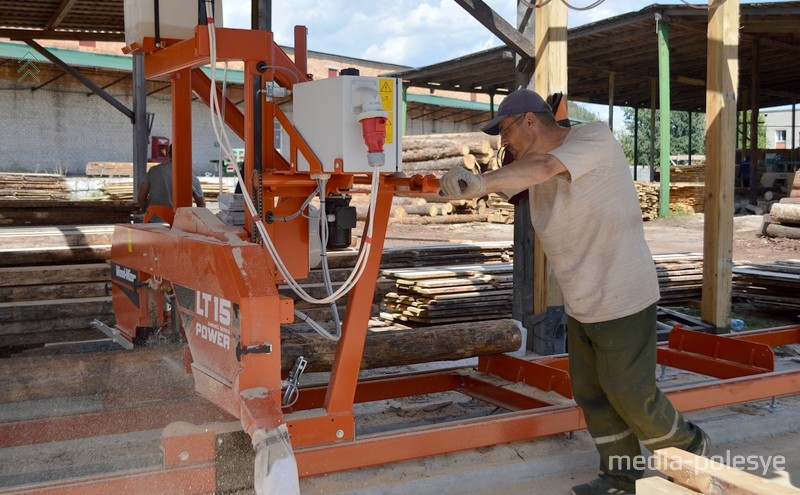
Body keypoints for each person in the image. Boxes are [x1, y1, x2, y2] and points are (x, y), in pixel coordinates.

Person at [440, 89, 710, 495]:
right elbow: (517, 179)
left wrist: (479, 181)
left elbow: (547, 166)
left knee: (630, 393)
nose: (503, 142)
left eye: (506, 131)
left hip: (622, 293)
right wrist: (443, 186)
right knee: (591, 393)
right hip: (582, 298)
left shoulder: (592, 139)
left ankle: (695, 453)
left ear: (531, 120)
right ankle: (622, 479)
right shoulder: (528, 166)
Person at [138, 149, 206, 223]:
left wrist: (146, 212)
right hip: (180, 223)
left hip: (154, 220)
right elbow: (201, 203)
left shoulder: (154, 171)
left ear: (169, 155)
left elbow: (142, 196)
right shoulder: (190, 176)